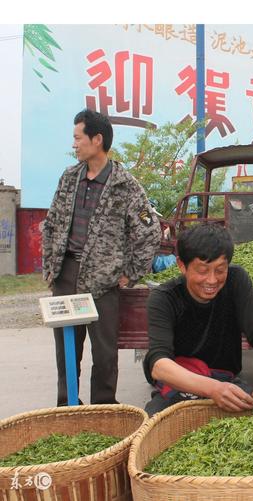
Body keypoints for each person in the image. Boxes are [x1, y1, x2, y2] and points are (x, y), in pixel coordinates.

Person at [42, 108, 160, 406]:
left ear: (97, 140)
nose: (74, 144)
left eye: (77, 137)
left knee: (105, 353)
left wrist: (131, 272)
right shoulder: (69, 178)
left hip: (104, 282)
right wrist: (50, 267)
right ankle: (67, 406)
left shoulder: (126, 185)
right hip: (66, 275)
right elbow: (52, 223)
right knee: (66, 350)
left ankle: (104, 408)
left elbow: (149, 231)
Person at [143, 223, 253, 416]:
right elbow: (159, 365)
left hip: (226, 379)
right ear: (181, 265)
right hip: (182, 381)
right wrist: (212, 389)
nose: (212, 280)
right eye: (202, 270)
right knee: (155, 422)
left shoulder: (237, 280)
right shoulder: (164, 298)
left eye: (220, 270)